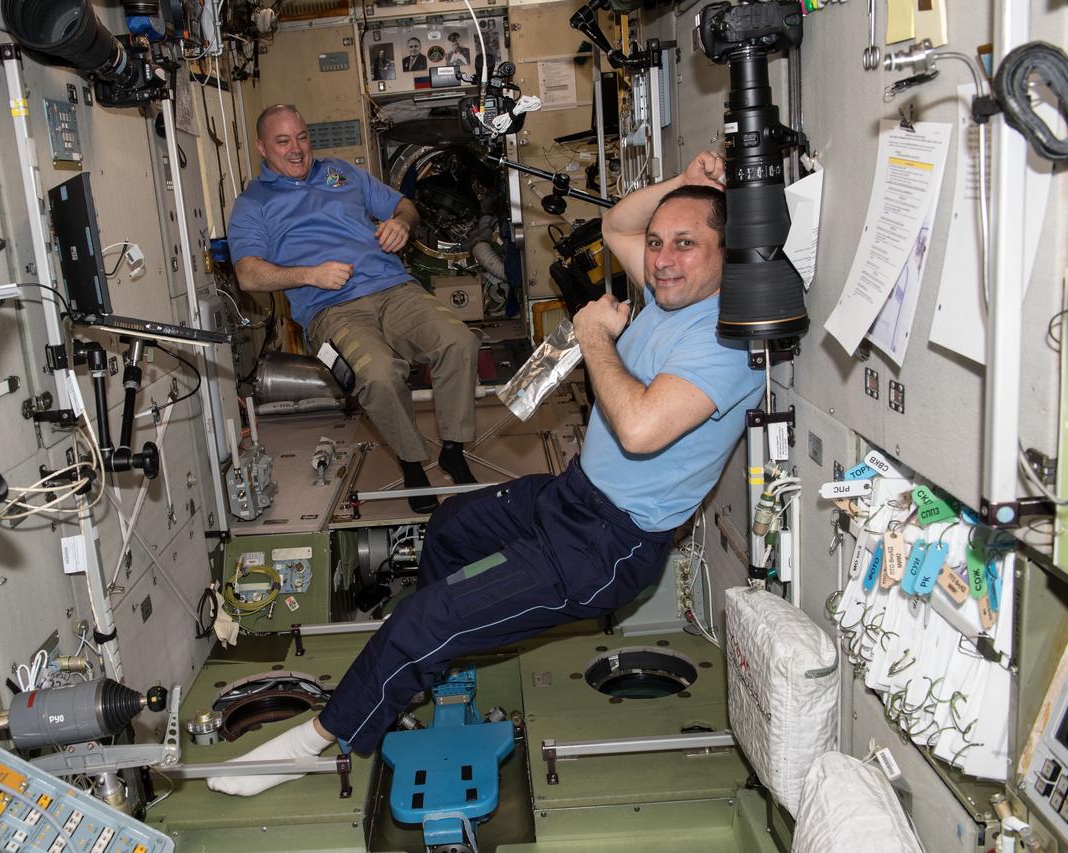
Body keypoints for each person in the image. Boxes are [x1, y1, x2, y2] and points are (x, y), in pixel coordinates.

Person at [206, 150, 764, 797]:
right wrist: (686, 183)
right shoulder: (671, 291)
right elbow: (617, 225)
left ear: (727, 251)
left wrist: (595, 339)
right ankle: (435, 654)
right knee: (449, 527)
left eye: (686, 244)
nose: (662, 257)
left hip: (607, 546)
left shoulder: (727, 339)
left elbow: (639, 428)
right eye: (660, 242)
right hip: (573, 494)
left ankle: (317, 739)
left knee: (425, 619)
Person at [228, 105, 480, 514]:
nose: (297, 149)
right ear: (261, 147)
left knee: (460, 342)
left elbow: (405, 205)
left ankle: (453, 449)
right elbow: (249, 275)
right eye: (283, 141)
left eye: (302, 137)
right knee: (379, 374)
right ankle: (413, 464)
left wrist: (401, 223)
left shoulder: (341, 173)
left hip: (394, 288)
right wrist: (310, 274)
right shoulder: (253, 205)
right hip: (331, 310)